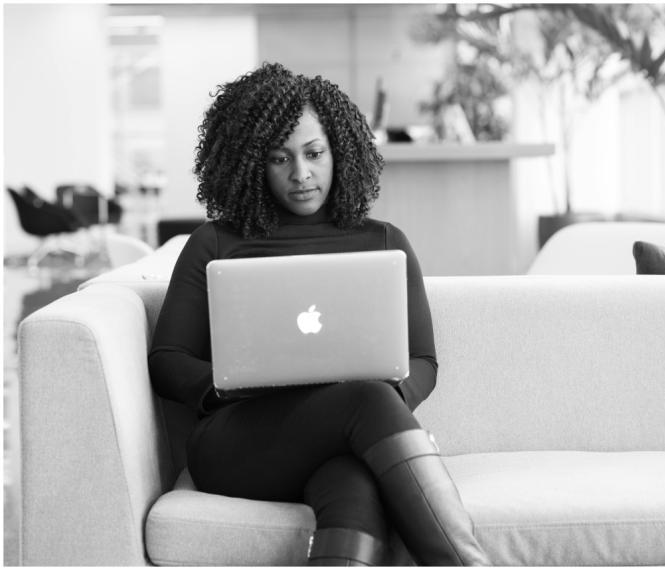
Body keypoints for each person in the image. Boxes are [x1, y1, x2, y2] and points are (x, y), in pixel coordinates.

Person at [148, 62, 491, 566]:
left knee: (353, 487)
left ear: (339, 151)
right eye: (279, 158)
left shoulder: (384, 241)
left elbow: (422, 361)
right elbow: (168, 359)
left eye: (314, 154)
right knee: (368, 405)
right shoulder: (216, 243)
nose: (301, 174)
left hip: (347, 438)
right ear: (250, 164)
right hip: (239, 443)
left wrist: (380, 411)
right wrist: (233, 383)